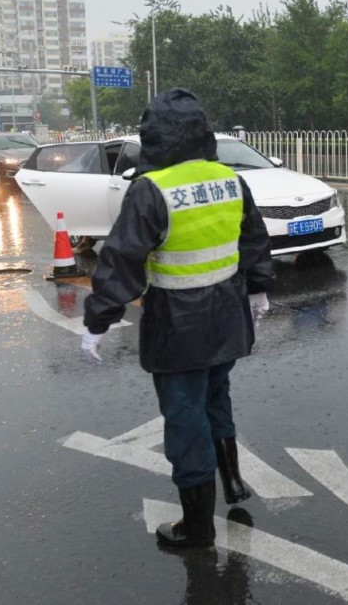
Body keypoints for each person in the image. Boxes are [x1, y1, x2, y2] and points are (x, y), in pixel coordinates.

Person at [80, 88, 275, 549]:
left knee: (185, 417)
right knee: (216, 397)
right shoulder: (229, 179)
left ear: (155, 136)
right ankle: (233, 482)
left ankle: (198, 527)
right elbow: (254, 239)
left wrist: (97, 320)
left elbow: (122, 261)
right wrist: (260, 288)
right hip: (228, 316)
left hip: (178, 324)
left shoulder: (152, 190)